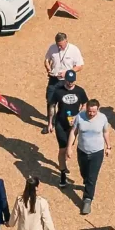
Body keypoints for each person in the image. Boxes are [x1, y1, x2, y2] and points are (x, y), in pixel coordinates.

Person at [45, 32, 85, 175]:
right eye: (58, 45)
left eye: (61, 45)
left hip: (63, 79)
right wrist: (48, 68)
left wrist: (68, 73)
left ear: (66, 41)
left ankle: (65, 155)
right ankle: (62, 168)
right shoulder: (52, 48)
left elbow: (80, 65)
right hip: (54, 80)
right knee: (51, 100)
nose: (59, 47)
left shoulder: (74, 50)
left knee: (70, 143)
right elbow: (46, 59)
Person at [71, 97, 110, 212]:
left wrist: (108, 146)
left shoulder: (103, 118)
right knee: (84, 172)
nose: (91, 113)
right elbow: (74, 132)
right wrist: (69, 147)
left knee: (92, 177)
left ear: (98, 110)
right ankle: (87, 182)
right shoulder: (80, 117)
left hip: (97, 152)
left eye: (94, 111)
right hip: (82, 150)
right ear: (86, 108)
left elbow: (106, 132)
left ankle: (87, 199)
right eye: (89, 111)